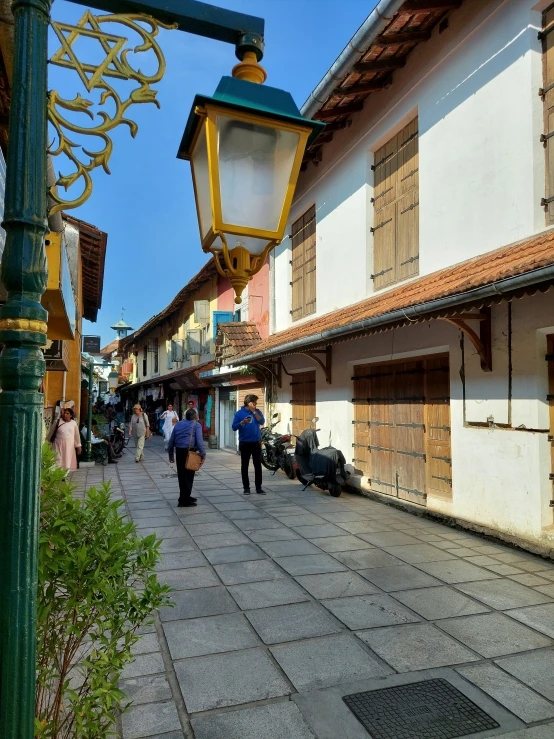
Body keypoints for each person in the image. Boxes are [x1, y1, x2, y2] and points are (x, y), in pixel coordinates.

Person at [168, 408, 206, 507]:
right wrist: (203, 455)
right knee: (189, 476)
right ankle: (184, 501)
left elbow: (171, 441)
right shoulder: (196, 425)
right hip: (190, 452)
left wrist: (171, 455)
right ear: (195, 417)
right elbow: (200, 442)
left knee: (181, 476)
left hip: (179, 452)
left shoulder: (178, 424)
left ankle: (184, 497)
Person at [232, 394, 266, 495]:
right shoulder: (239, 413)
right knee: (245, 466)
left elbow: (262, 421)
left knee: (258, 466)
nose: (255, 404)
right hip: (245, 443)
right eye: (254, 402)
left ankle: (258, 488)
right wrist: (242, 423)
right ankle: (246, 488)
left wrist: (254, 412)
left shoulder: (257, 411)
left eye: (256, 403)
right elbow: (234, 427)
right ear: (248, 402)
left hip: (256, 442)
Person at [49, 407, 81, 472]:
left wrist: (78, 446)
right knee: (57, 459)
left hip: (69, 446)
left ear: (71, 415)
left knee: (67, 459)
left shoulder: (73, 423)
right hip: (58, 445)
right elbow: (51, 433)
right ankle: (56, 473)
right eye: (64, 413)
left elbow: (76, 435)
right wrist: (48, 443)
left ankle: (64, 474)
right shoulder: (57, 422)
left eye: (67, 413)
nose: (65, 415)